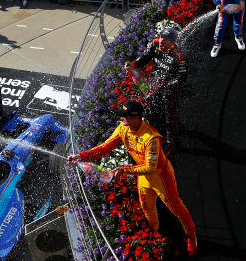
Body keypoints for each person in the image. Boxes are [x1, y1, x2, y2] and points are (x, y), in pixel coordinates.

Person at [67, 100, 197, 256]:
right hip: (143, 176)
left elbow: (150, 167)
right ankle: (154, 236)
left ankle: (191, 236)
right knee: (147, 208)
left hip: (161, 178)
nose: (121, 119)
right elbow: (104, 147)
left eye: (124, 116)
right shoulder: (123, 128)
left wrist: (124, 170)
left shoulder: (151, 138)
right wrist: (80, 156)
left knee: (176, 208)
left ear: (136, 118)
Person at [124, 27, 186, 146]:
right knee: (154, 107)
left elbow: (182, 79)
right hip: (156, 82)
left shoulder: (179, 57)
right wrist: (134, 64)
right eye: (162, 37)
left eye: (166, 40)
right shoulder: (156, 44)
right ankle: (156, 131)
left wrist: (164, 84)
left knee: (170, 114)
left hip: (170, 88)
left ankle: (171, 140)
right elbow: (146, 57)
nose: (162, 41)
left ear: (172, 43)